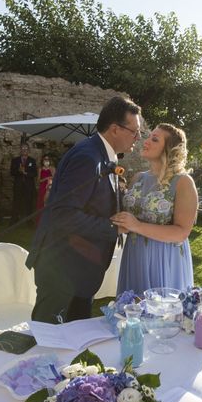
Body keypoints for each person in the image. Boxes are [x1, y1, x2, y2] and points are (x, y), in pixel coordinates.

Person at [26, 96, 142, 323]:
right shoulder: (88, 157)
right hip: (63, 269)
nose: (138, 138)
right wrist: (114, 228)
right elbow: (63, 215)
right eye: (134, 131)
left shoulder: (99, 154)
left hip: (78, 270)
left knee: (74, 346)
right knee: (51, 343)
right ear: (115, 129)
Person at [112, 123, 197, 295]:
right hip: (134, 255)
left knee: (160, 315)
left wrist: (137, 226)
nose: (146, 141)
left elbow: (182, 232)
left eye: (155, 139)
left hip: (164, 258)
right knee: (132, 313)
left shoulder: (183, 182)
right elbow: (131, 218)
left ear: (169, 149)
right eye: (149, 136)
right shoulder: (138, 178)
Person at [9, 143, 37, 224]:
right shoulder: (15, 160)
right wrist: (19, 171)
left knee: (29, 202)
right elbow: (12, 172)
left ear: (28, 150)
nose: (24, 150)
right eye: (23, 149)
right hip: (18, 185)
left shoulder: (32, 160)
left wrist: (26, 173)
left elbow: (35, 173)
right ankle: (14, 220)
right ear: (20, 150)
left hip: (29, 185)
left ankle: (29, 220)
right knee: (16, 202)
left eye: (26, 149)